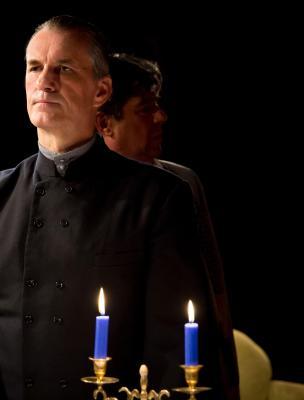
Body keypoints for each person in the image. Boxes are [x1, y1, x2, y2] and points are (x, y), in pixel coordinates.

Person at [0, 16, 227, 400]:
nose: (45, 81)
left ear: (101, 91)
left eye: (63, 68)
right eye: (35, 67)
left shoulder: (158, 197)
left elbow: (175, 347)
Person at [96, 52, 240, 399]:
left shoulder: (184, 183)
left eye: (157, 105)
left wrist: (229, 382)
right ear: (105, 123)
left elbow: (216, 294)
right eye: (145, 109)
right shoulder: (85, 193)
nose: (161, 117)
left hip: (182, 370)